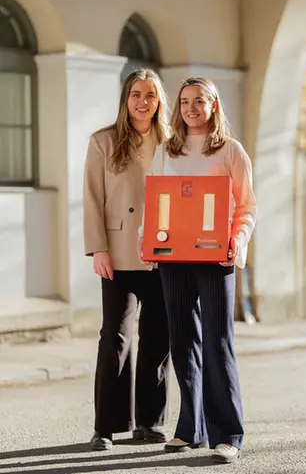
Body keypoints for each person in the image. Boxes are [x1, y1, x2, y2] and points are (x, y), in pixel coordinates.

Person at [138, 77, 257, 464]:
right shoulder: (166, 150)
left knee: (217, 342)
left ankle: (228, 434)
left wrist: (236, 243)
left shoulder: (230, 151)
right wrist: (146, 241)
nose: (191, 108)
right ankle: (190, 429)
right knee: (182, 341)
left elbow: (246, 208)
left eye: (199, 101)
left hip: (216, 258)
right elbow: (152, 199)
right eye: (186, 101)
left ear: (214, 106)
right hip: (173, 257)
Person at [83, 68, 170, 451]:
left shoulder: (172, 141)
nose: (142, 102)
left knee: (158, 337)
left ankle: (150, 422)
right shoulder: (103, 140)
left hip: (164, 251)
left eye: (150, 95)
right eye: (136, 94)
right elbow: (91, 198)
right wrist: (97, 248)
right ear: (126, 98)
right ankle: (107, 425)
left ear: (158, 101)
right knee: (115, 337)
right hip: (118, 252)